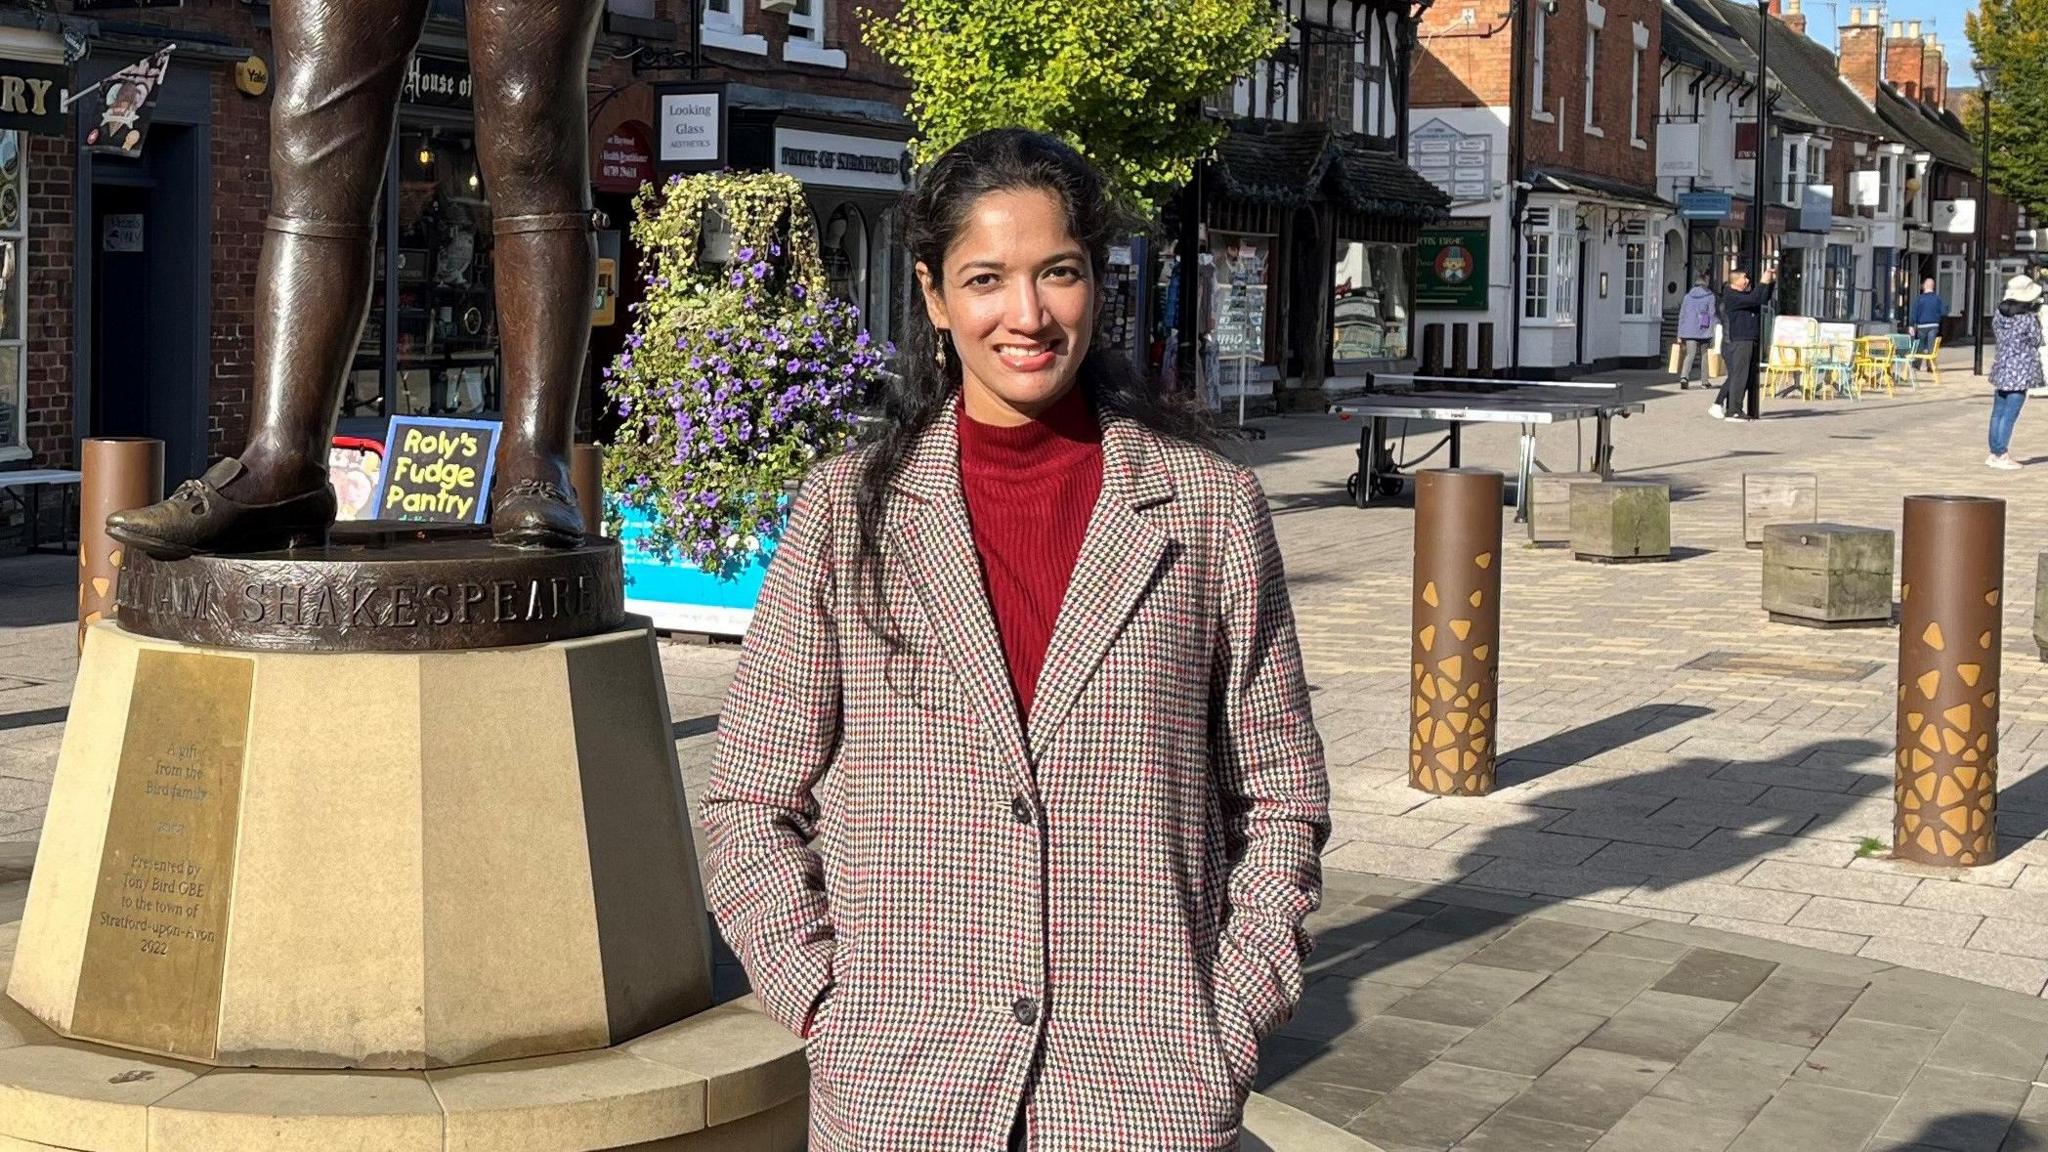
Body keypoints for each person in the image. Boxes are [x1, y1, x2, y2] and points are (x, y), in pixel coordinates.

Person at [702, 129, 1330, 1151]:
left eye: (1058, 274)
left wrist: (1225, 1025)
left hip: (1141, 1095)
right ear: (935, 295)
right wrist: (826, 1009)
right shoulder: (845, 515)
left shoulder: (1207, 511)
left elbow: (1279, 796)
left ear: (1097, 282)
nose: (1026, 315)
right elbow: (748, 803)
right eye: (986, 278)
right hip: (903, 1097)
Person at [1987, 274, 2043, 470]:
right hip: (2020, 371)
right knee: (2010, 414)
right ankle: (2002, 453)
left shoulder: (1999, 315)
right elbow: (2037, 340)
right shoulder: (2027, 318)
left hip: (2002, 367)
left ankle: (1994, 452)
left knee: (1997, 413)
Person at [1712, 265, 1776, 421]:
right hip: (1739, 339)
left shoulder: (1741, 296)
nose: (1747, 280)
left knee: (1742, 376)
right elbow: (1754, 298)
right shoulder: (1732, 296)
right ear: (1736, 280)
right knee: (1739, 376)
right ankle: (1733, 410)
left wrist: (1770, 283)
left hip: (1746, 338)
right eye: (1744, 278)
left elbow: (1760, 300)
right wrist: (1762, 282)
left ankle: (1726, 407)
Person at [1674, 274, 1718, 390]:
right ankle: (1704, 381)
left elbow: (1682, 315)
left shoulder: (1687, 297)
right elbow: (1712, 314)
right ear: (1706, 282)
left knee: (1690, 354)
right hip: (1705, 329)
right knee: (1704, 355)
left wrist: (1679, 334)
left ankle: (1684, 377)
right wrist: (1713, 333)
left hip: (1689, 330)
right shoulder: (1710, 296)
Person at [1911, 277, 1946, 354]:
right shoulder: (1938, 299)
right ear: (1933, 286)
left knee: (1920, 346)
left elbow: (1914, 313)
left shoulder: (1919, 299)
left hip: (1921, 326)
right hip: (1934, 325)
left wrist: (1911, 325)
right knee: (1931, 346)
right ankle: (1930, 363)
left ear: (1925, 286)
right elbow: (1943, 312)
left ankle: (1917, 365)